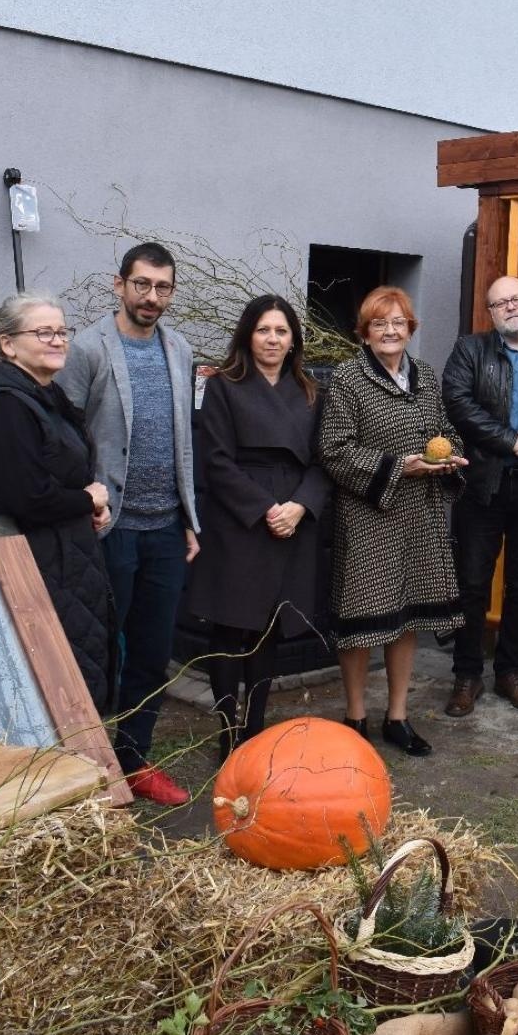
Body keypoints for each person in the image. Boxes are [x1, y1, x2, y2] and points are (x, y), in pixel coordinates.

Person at [57, 242, 200, 805]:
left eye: (163, 287)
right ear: (119, 285)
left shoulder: (180, 348)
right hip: (107, 527)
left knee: (152, 648)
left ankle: (135, 760)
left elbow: (183, 439)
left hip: (165, 528)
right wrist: (80, 502)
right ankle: (85, 766)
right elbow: (63, 433)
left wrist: (190, 518)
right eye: (142, 284)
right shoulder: (88, 348)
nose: (152, 297)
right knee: (98, 651)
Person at [318, 285, 466, 756]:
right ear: (365, 333)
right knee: (362, 620)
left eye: (398, 322)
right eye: (379, 323)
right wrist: (398, 465)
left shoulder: (424, 374)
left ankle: (397, 717)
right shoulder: (348, 378)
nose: (390, 330)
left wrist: (449, 458)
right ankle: (355, 716)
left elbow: (445, 434)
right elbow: (334, 449)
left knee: (408, 619)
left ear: (410, 329)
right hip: (370, 517)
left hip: (420, 517)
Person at [185, 295, 330, 763]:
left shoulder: (310, 391)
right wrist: (267, 508)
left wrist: (300, 507)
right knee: (232, 627)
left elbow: (325, 460)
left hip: (295, 515)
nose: (272, 338)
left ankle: (257, 729)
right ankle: (228, 732)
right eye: (264, 330)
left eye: (282, 331)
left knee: (270, 627)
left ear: (293, 341)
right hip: (241, 518)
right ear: (248, 335)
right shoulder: (224, 386)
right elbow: (216, 461)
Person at [0, 293, 115, 713]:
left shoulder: (43, 395)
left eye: (62, 332)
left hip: (62, 558)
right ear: (8, 344)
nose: (58, 340)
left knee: (76, 677)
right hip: (33, 565)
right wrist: (87, 498)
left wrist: (90, 504)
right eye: (43, 332)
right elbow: (28, 499)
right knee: (51, 688)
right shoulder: (5, 404)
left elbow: (63, 473)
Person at [440, 276, 518, 717]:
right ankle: (467, 674)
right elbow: (457, 404)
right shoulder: (469, 350)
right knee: (472, 583)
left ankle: (510, 671)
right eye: (500, 303)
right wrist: (513, 441)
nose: (511, 307)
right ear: (491, 313)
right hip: (483, 484)